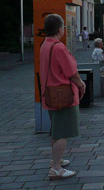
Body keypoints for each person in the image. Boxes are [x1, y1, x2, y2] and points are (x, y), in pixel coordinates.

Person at [39, 14, 85, 180]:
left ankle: (56, 161)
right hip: (63, 96)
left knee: (56, 131)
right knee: (62, 133)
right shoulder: (58, 47)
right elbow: (71, 72)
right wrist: (81, 84)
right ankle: (56, 168)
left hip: (50, 94)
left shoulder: (45, 44)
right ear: (60, 29)